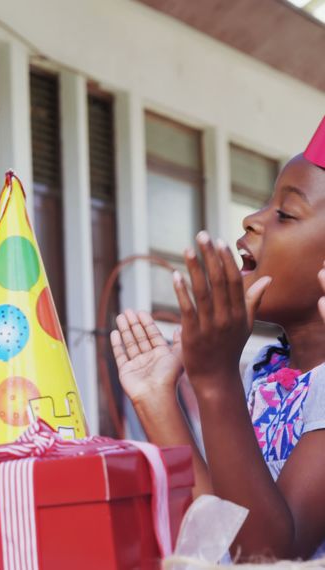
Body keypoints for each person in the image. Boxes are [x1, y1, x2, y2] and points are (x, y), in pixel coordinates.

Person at [111, 119, 325, 560]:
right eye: (268, 204)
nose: (253, 218)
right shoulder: (263, 370)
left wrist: (214, 380)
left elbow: (270, 556)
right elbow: (224, 532)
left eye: (286, 213)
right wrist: (158, 401)